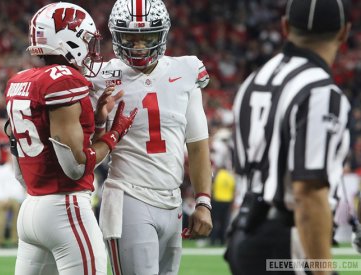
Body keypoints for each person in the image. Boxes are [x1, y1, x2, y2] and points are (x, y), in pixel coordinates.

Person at [5, 2, 136, 275]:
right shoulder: (64, 80)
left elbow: (19, 162)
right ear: (67, 39)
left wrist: (98, 121)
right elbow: (76, 165)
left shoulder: (21, 80)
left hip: (31, 208)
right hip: (65, 208)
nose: (89, 49)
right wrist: (114, 134)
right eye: (86, 40)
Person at [225, 0, 352, 274]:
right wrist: (322, 269)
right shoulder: (320, 91)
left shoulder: (254, 80)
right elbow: (308, 192)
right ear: (343, 32)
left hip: (244, 233)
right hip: (287, 238)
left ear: (285, 26)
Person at [90, 0, 213, 274]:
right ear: (117, 35)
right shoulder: (99, 77)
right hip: (128, 195)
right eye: (131, 38)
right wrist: (100, 122)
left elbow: (198, 143)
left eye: (147, 37)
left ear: (163, 34)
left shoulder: (187, 71)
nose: (139, 46)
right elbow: (85, 153)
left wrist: (203, 201)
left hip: (173, 200)